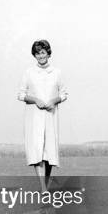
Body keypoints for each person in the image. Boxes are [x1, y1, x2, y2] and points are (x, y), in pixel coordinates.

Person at [17, 40, 68, 192]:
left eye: (43, 52)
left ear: (48, 53)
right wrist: (35, 100)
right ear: (35, 55)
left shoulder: (56, 72)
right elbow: (21, 94)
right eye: (38, 53)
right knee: (37, 149)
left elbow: (64, 93)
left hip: (51, 116)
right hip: (34, 116)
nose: (41, 56)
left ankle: (46, 185)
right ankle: (43, 188)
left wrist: (54, 100)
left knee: (49, 152)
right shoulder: (29, 72)